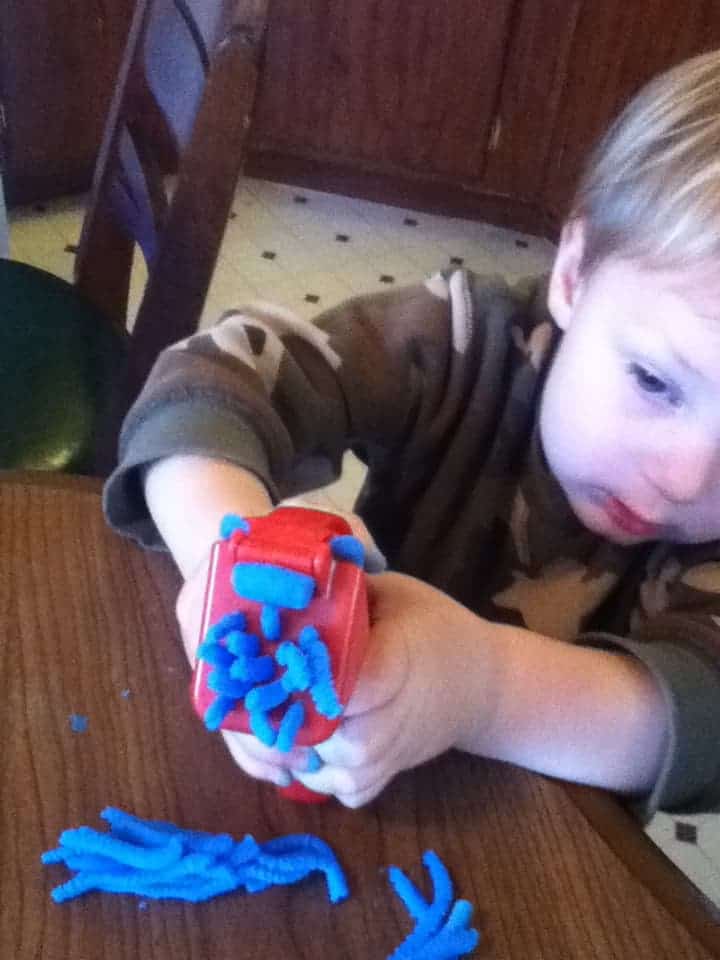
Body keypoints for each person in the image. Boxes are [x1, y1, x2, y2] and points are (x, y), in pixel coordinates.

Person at [104, 49, 720, 819]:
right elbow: (214, 377)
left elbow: (701, 725)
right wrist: (230, 558)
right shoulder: (463, 341)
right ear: (574, 274)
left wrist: (481, 690)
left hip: (532, 848)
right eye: (656, 382)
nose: (689, 477)